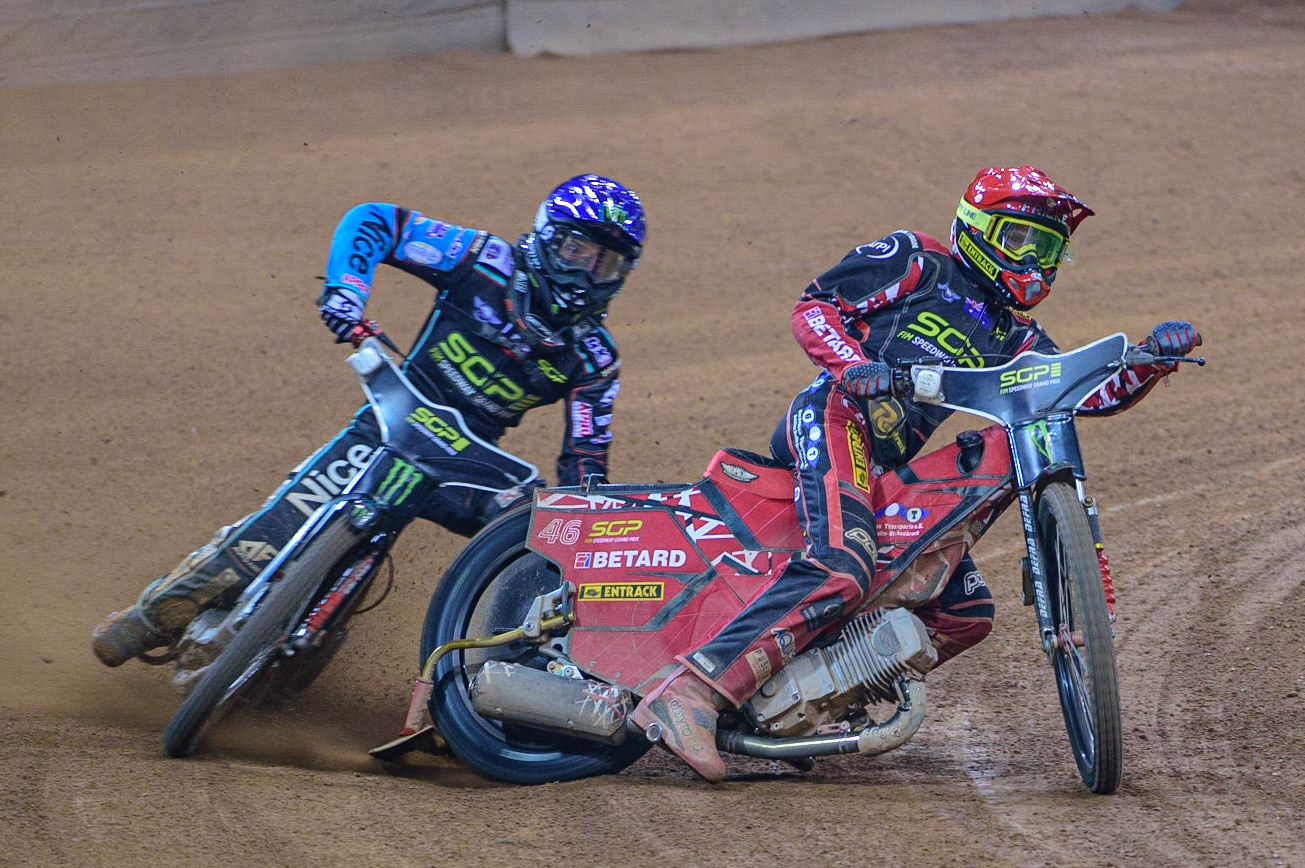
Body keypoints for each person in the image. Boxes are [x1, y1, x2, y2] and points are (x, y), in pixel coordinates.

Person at [631, 165, 1199, 781]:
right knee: (842, 565)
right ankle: (692, 691)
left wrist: (1151, 360)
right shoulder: (917, 260)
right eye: (1021, 241)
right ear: (978, 229)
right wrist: (854, 368)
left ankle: (803, 697)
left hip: (889, 465)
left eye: (1049, 248)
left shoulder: (1019, 338)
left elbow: (1077, 395)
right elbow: (816, 306)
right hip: (835, 417)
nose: (1035, 261)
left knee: (966, 612)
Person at [93, 174, 645, 672]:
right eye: (577, 250)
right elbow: (375, 220)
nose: (587, 273)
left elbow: (586, 462)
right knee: (274, 531)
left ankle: (491, 680)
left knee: (542, 546)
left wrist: (577, 518)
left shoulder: (595, 358)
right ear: (547, 238)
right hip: (391, 420)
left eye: (606, 263)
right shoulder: (483, 260)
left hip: (466, 468)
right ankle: (156, 613)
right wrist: (347, 293)